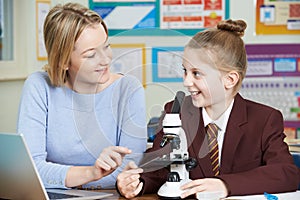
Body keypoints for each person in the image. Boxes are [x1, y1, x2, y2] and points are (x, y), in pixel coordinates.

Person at [116, 19, 300, 198]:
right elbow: (158, 168)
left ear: (230, 79)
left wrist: (225, 185)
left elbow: (286, 173)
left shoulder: (264, 119)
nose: (186, 82)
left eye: (197, 73)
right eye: (185, 71)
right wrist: (136, 182)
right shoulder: (176, 110)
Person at [17, 3, 147, 190]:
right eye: (91, 54)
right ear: (63, 61)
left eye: (106, 46)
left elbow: (128, 172)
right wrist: (92, 173)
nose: (106, 59)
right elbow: (30, 170)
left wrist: (63, 176)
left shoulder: (128, 90)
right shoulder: (39, 86)